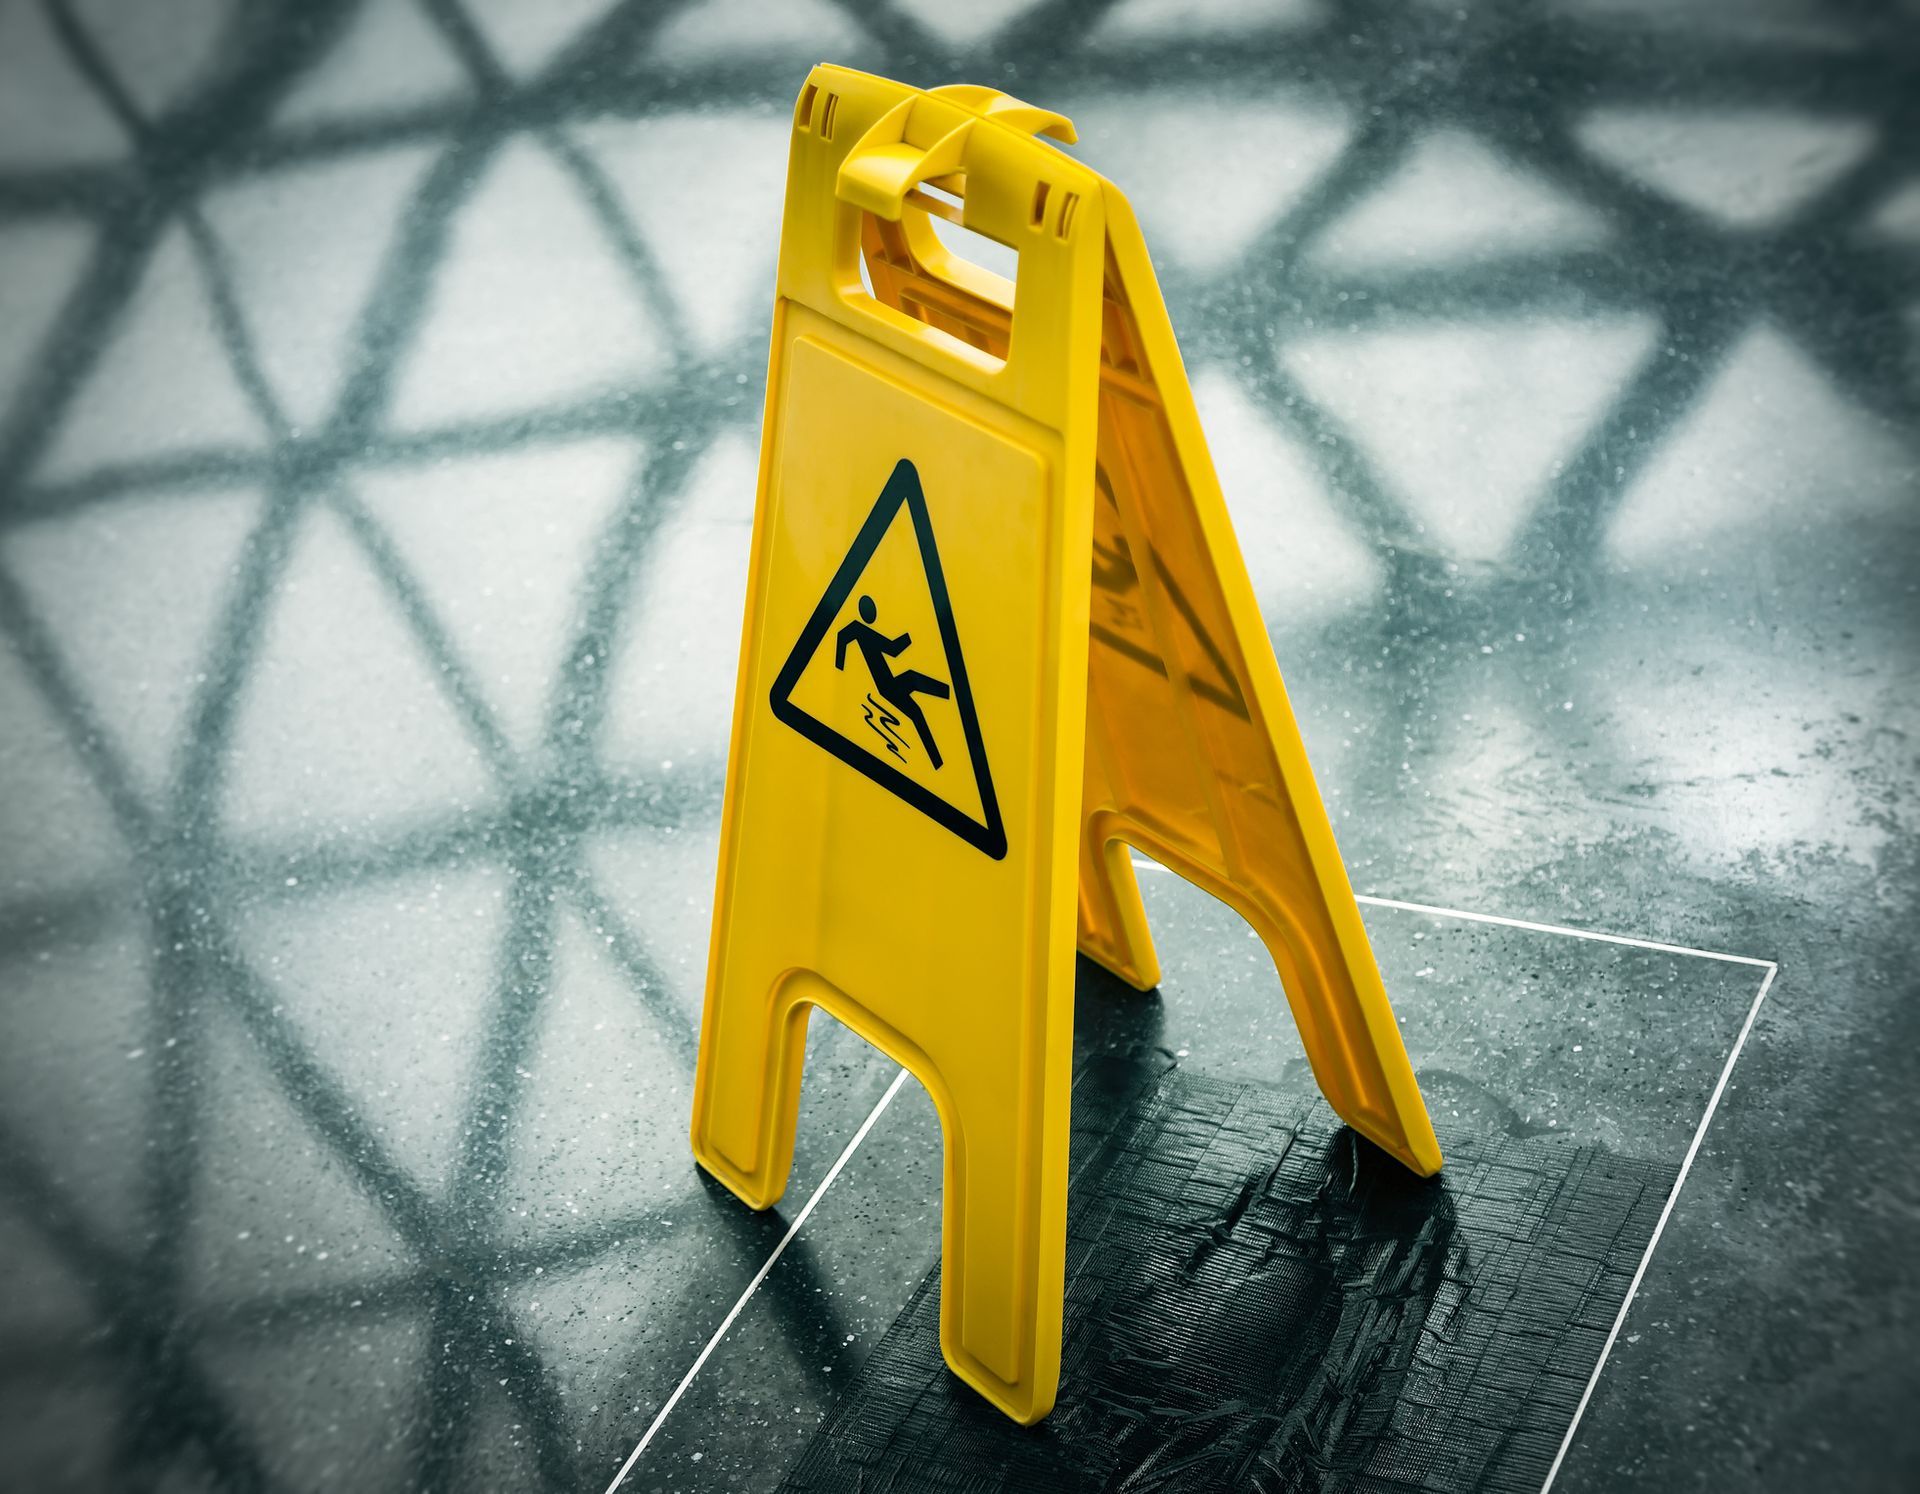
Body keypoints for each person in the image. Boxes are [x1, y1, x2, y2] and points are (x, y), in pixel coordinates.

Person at [835, 595, 950, 767]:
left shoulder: (863, 631)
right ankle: (950, 694)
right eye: (871, 610)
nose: (874, 614)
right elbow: (892, 649)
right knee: (915, 702)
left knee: (915, 698)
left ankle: (937, 760)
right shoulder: (861, 630)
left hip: (890, 682)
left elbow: (891, 649)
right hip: (887, 686)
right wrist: (840, 667)